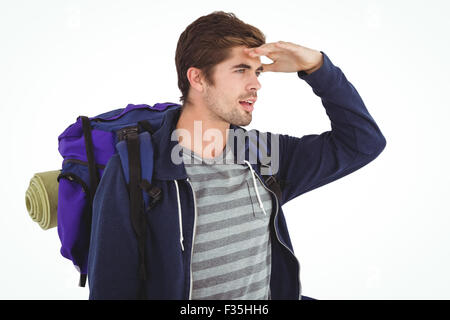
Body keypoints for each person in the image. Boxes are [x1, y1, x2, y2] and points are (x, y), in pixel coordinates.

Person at [87, 11, 386, 300]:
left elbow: (362, 143)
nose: (256, 84)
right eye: (241, 70)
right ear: (198, 78)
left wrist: (318, 67)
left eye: (257, 72)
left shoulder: (261, 155)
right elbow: (112, 290)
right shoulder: (137, 168)